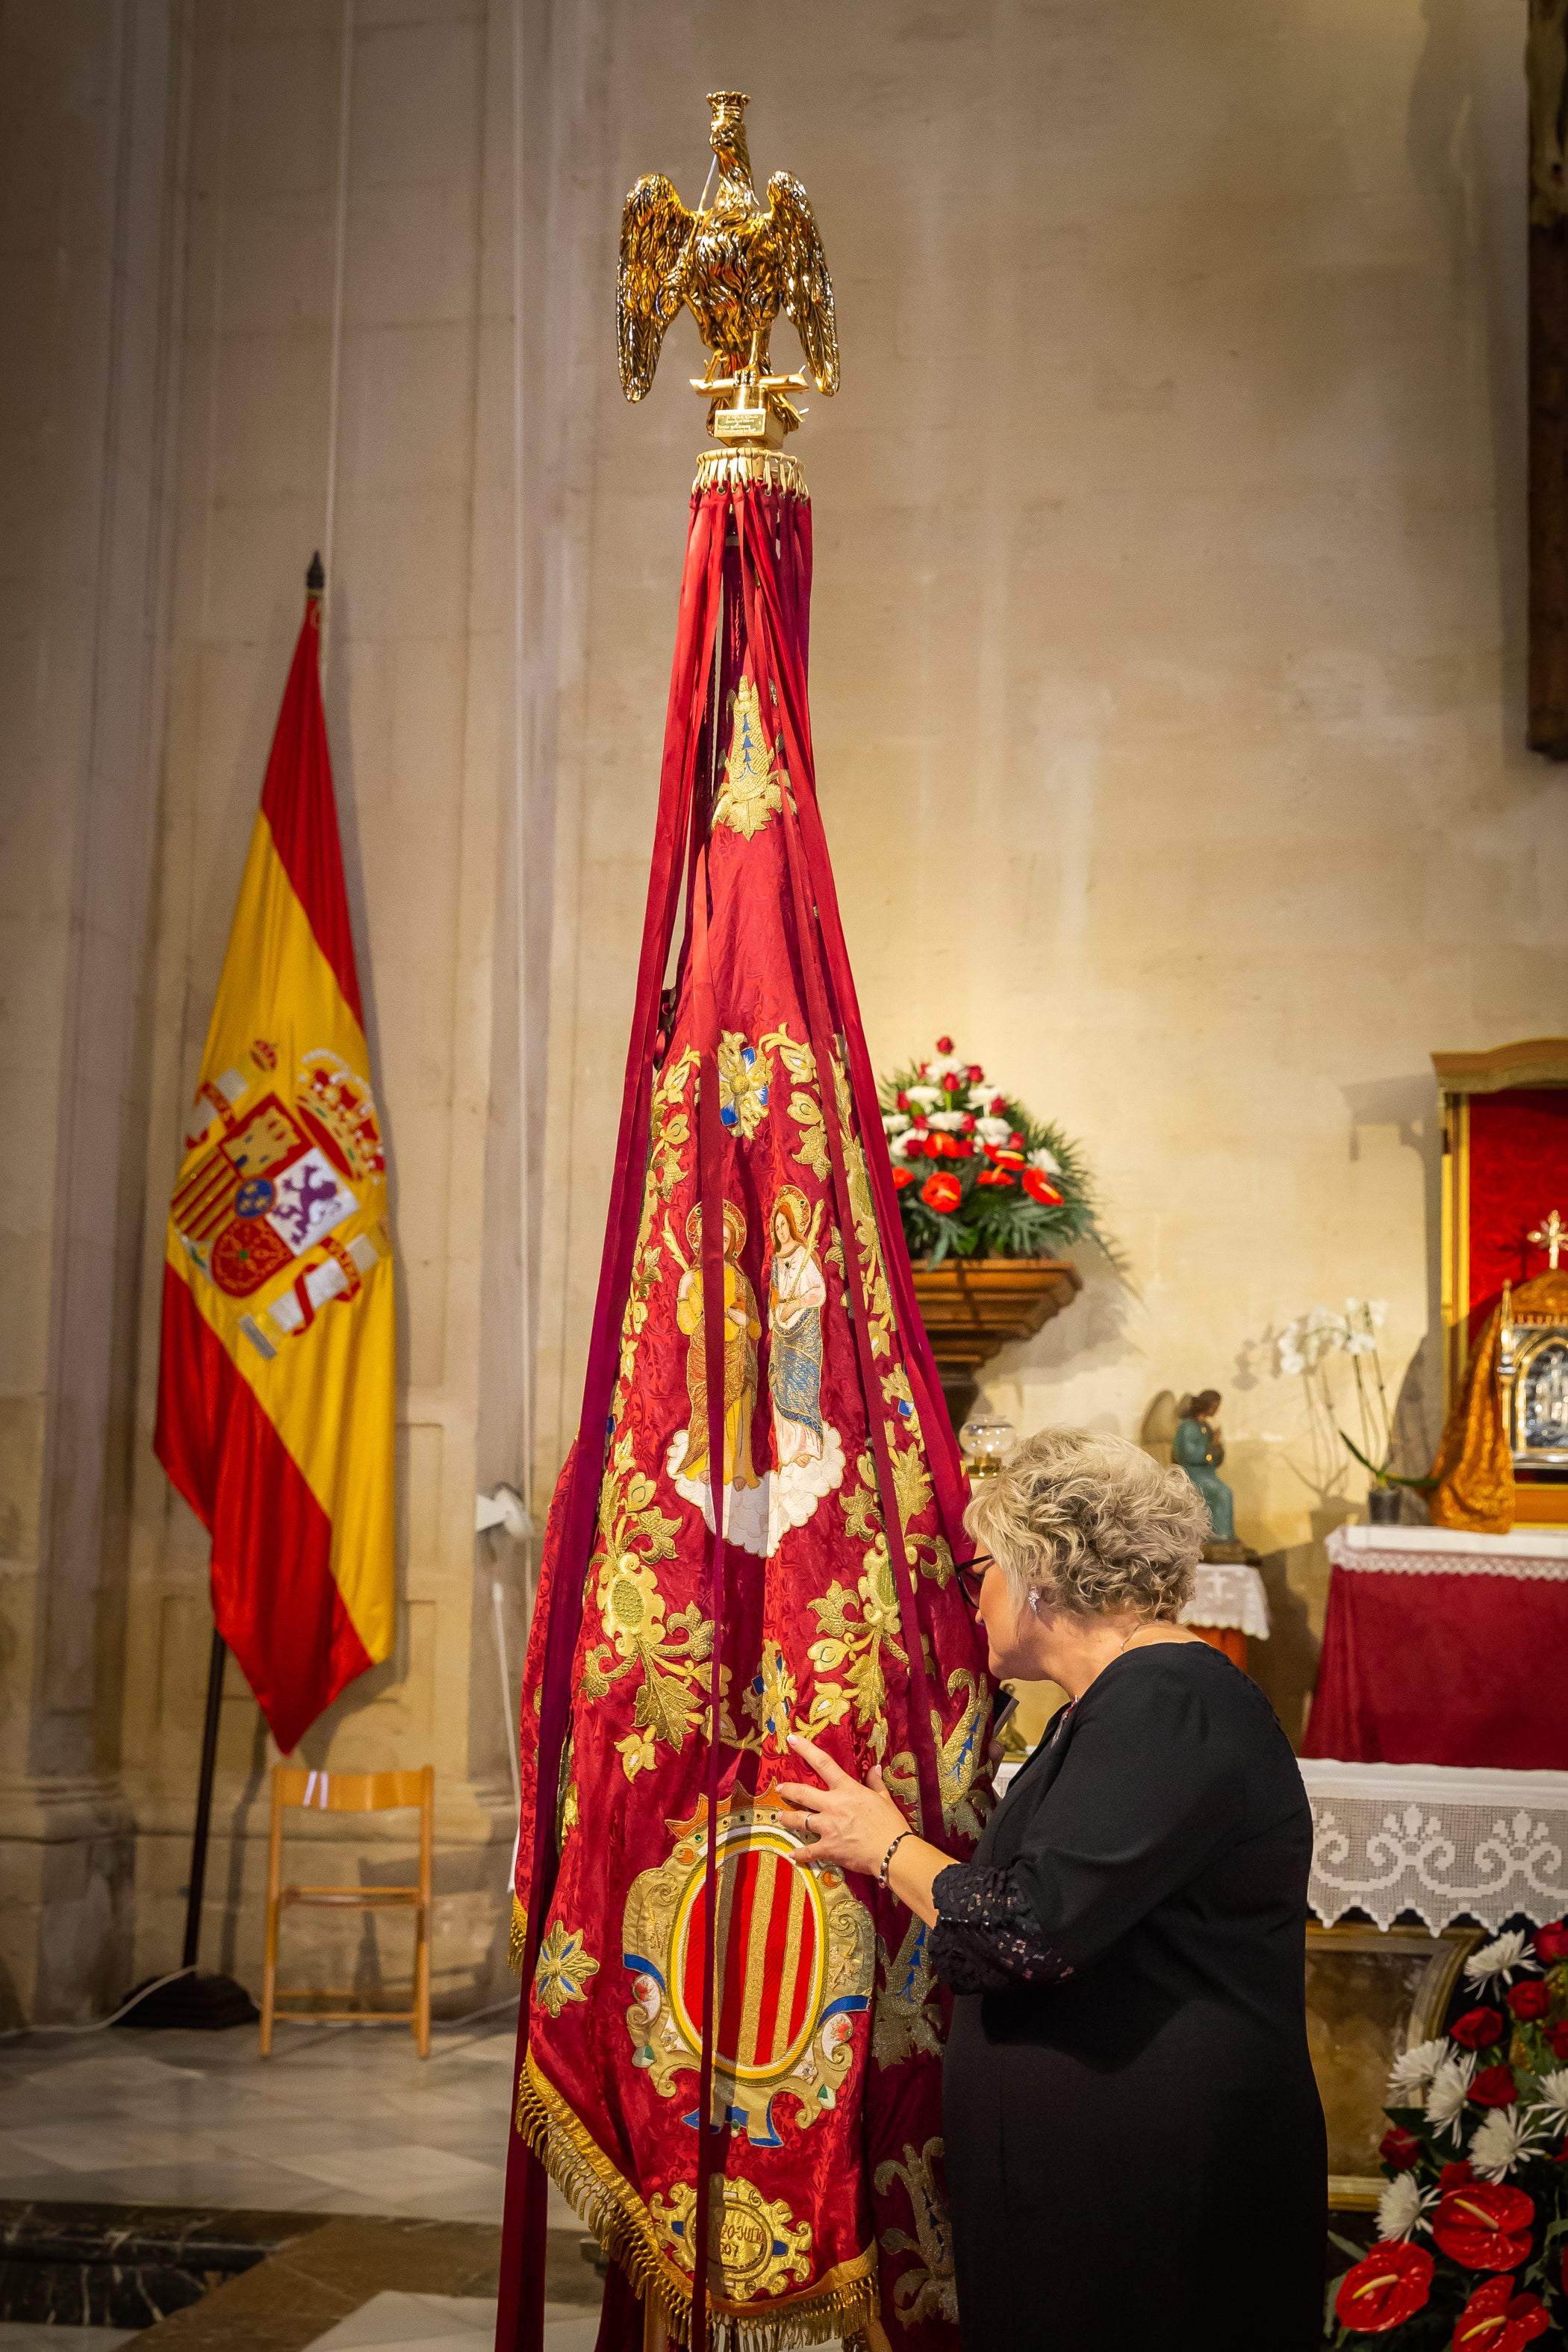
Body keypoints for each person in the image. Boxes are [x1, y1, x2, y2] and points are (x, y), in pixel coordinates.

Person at [777, 1427, 1325, 2351]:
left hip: (1153, 2192)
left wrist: (885, 1846)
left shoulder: (1166, 1704)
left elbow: (1031, 1926)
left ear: (1037, 1571)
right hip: (1098, 2182)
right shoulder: (1111, 1709)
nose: (970, 1599)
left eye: (978, 1569)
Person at [1172, 1384, 1236, 1542]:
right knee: (1222, 1493)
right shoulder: (1187, 1426)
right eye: (1214, 1406)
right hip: (1192, 1474)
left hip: (1209, 1474)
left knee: (1226, 1491)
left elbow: (1216, 1458)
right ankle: (1216, 1537)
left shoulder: (1206, 1427)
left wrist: (1216, 1444)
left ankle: (1224, 1536)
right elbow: (1188, 1453)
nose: (1216, 1410)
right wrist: (1210, 1447)